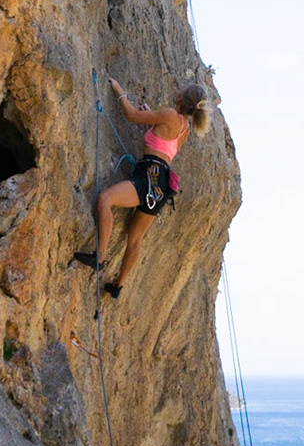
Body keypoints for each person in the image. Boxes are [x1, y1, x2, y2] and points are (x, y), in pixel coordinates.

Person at [74, 78, 211, 297]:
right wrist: (152, 122)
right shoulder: (185, 129)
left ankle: (99, 257)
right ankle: (118, 286)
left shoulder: (169, 115)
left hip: (149, 175)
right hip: (162, 184)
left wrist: (119, 91)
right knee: (135, 238)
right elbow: (163, 144)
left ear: (180, 98)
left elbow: (132, 115)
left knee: (105, 199)